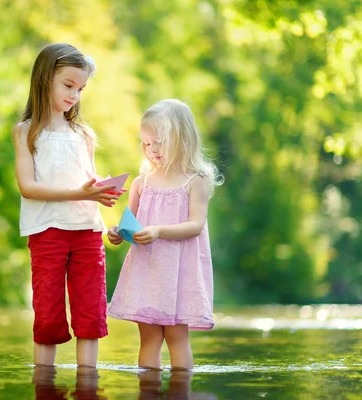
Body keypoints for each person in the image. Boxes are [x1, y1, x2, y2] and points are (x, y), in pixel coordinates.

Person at [13, 43, 123, 368]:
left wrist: (102, 189)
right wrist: (82, 192)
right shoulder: (26, 132)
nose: (75, 95)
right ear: (45, 79)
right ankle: (44, 383)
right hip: (47, 231)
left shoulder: (84, 135)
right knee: (47, 314)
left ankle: (88, 383)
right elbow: (28, 187)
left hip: (87, 232)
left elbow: (85, 181)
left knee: (90, 312)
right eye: (69, 85)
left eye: (81, 89)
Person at [107, 99, 223, 370]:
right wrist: (116, 233)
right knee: (148, 340)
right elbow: (129, 224)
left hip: (179, 275)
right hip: (147, 272)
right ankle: (148, 389)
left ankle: (181, 389)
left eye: (159, 142)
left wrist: (159, 231)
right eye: (147, 143)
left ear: (182, 139)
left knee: (177, 338)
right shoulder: (141, 183)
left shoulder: (195, 182)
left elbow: (195, 225)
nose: (152, 150)